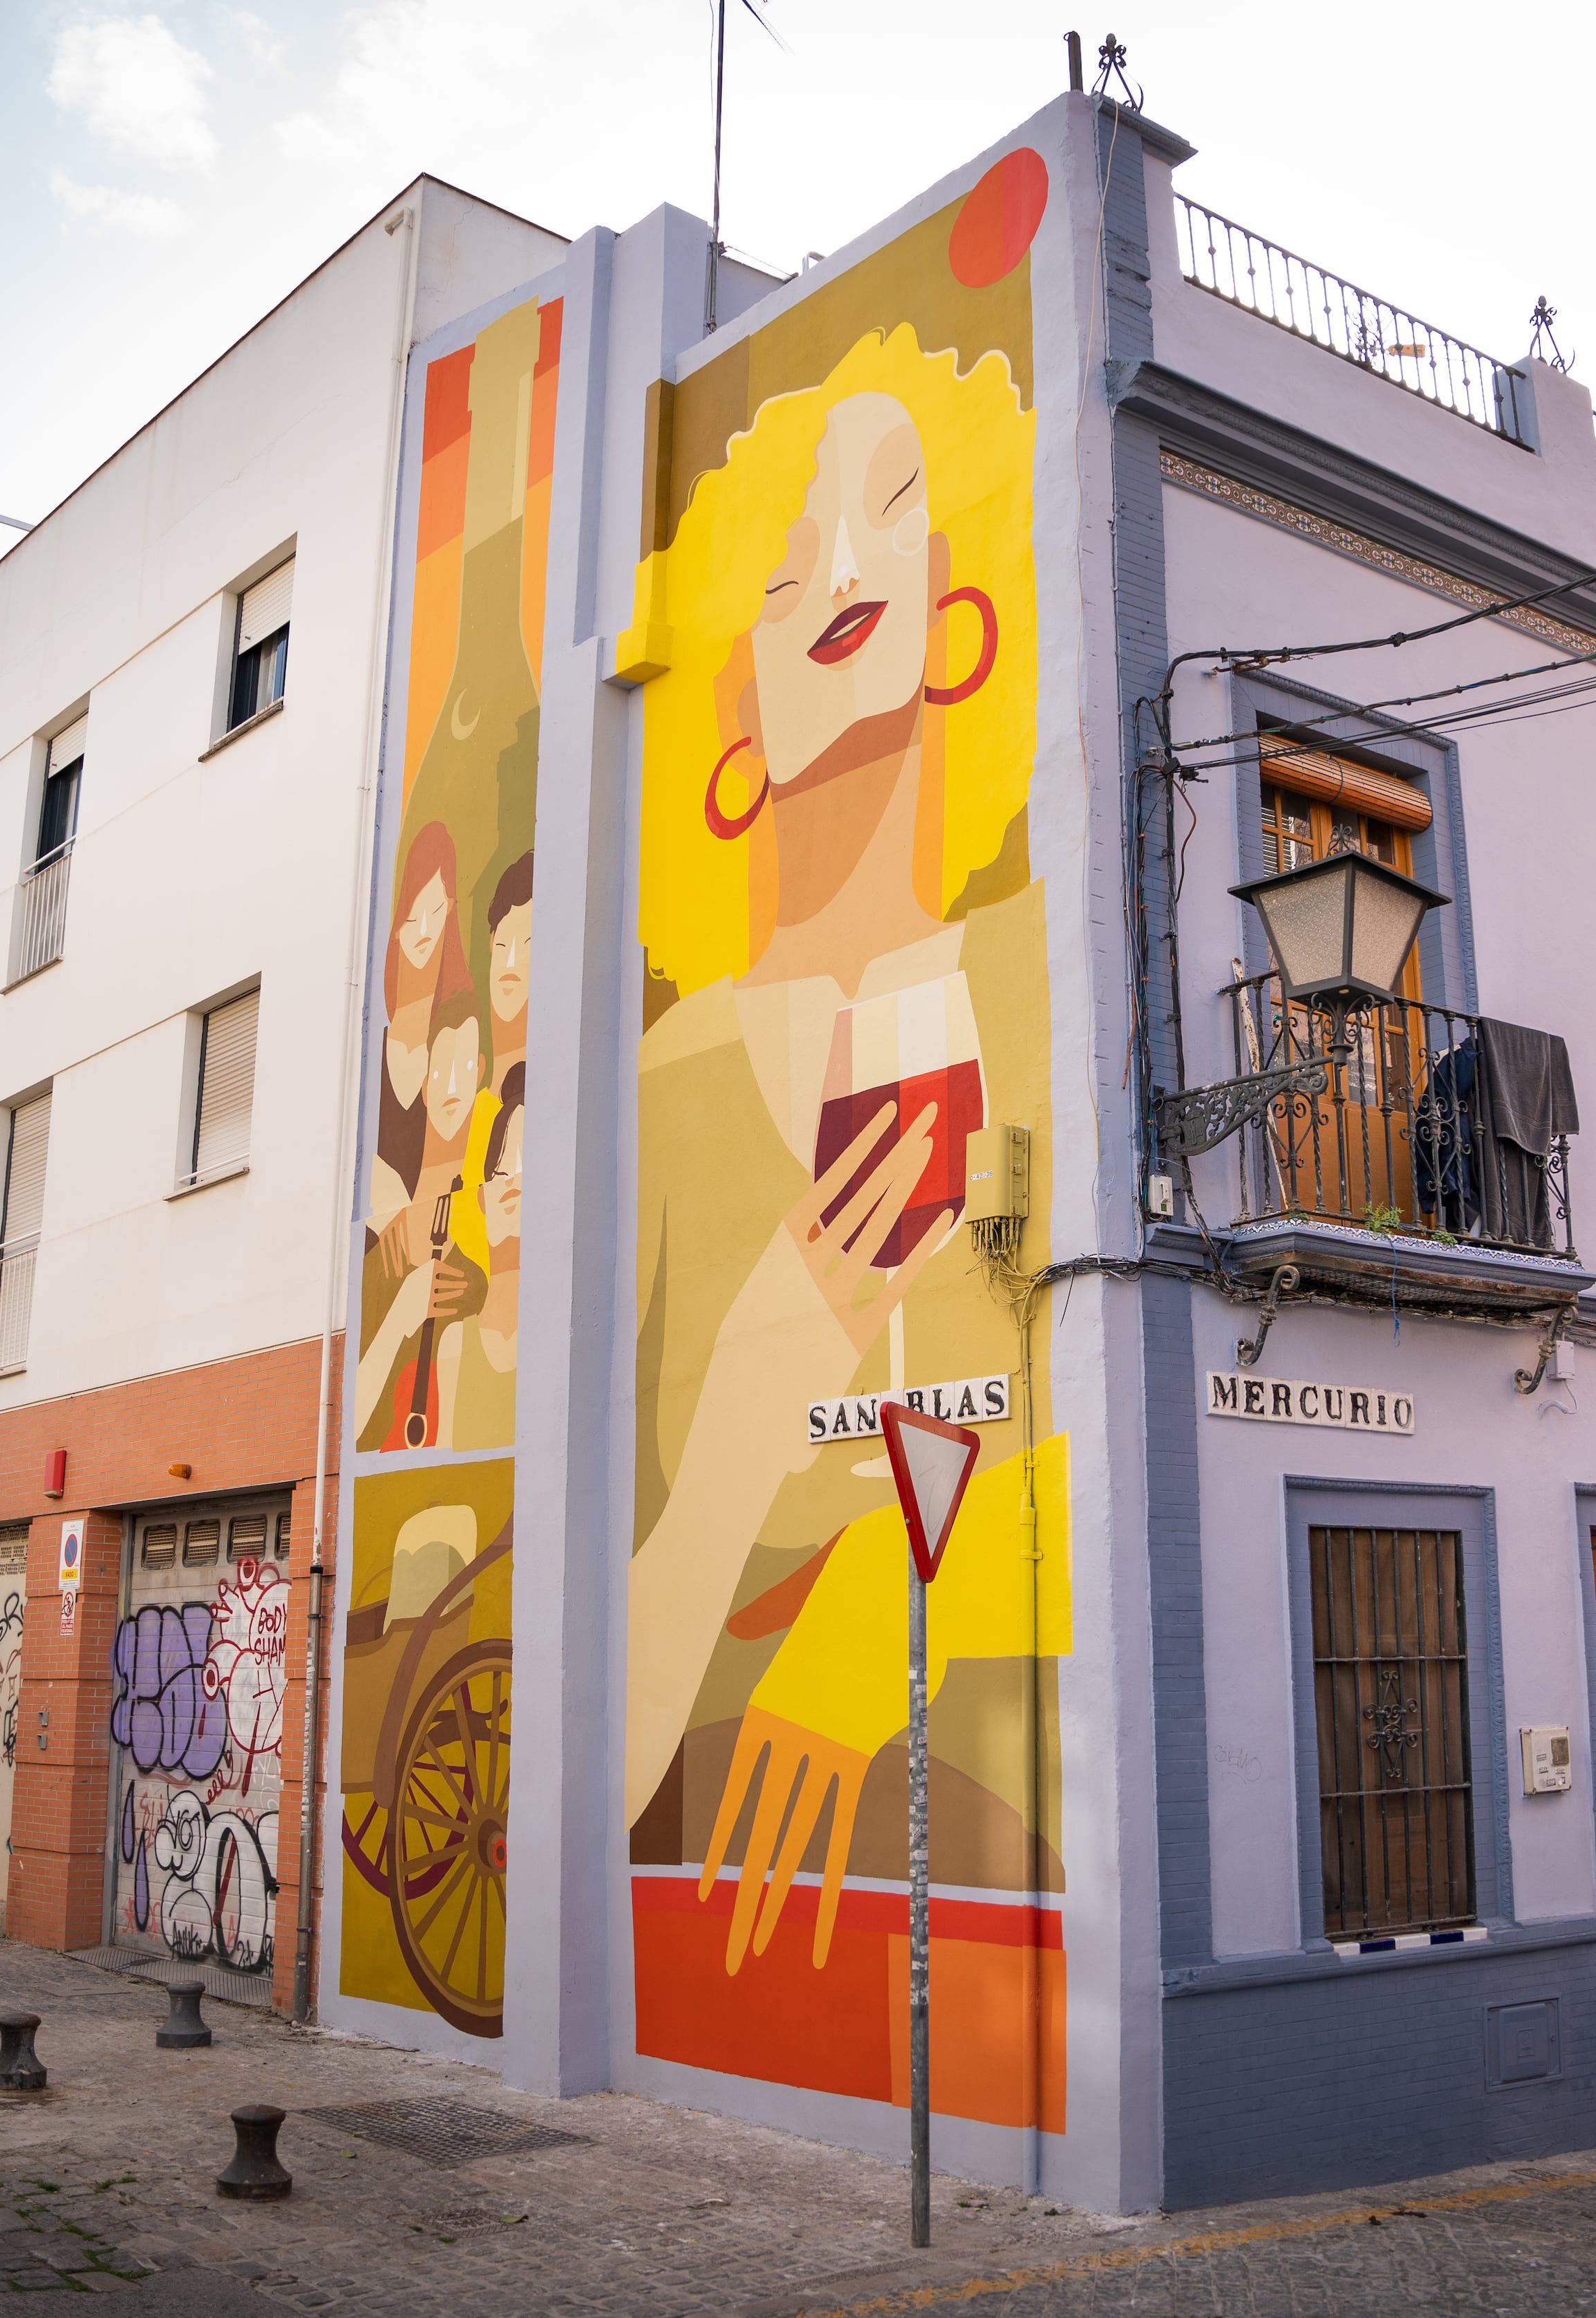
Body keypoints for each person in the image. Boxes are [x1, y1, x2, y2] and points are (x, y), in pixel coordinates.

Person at [627, 334, 1064, 1979]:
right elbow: (596, 1766)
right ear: (733, 695)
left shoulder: (1036, 970)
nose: (834, 564)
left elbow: (1112, 1445)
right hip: (732, 1902)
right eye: (793, 550)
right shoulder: (668, 1080)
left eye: (890, 510)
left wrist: (869, 1594)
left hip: (986, 1856)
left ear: (962, 619)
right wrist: (747, 1413)